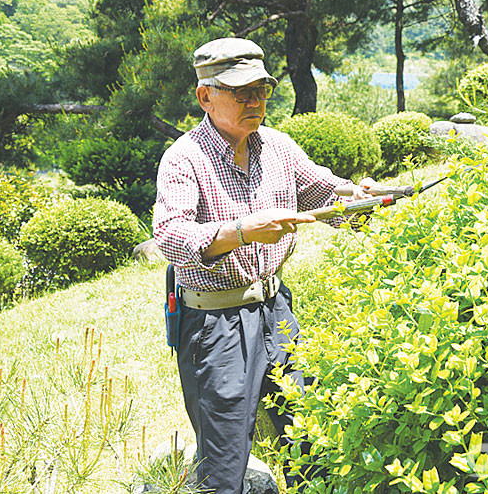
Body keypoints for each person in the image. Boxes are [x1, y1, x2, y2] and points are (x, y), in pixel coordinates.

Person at [153, 37, 374, 493]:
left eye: (262, 90)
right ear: (205, 95)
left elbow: (324, 192)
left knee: (310, 435)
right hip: (214, 324)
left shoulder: (277, 146)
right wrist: (241, 231)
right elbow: (170, 236)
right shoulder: (184, 158)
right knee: (225, 455)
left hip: (276, 312)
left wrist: (357, 197)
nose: (254, 101)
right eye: (241, 92)